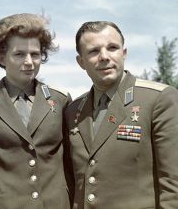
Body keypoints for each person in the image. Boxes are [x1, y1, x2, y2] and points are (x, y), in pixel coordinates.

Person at [65, 21, 178, 209]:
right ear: (81, 62)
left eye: (112, 48)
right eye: (94, 51)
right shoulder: (73, 110)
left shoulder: (158, 99)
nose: (104, 57)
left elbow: (173, 183)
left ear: (123, 53)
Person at [0, 13, 72, 209]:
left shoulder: (60, 100)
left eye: (35, 54)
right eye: (19, 54)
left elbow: (71, 160)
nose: (29, 61)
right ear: (1, 57)